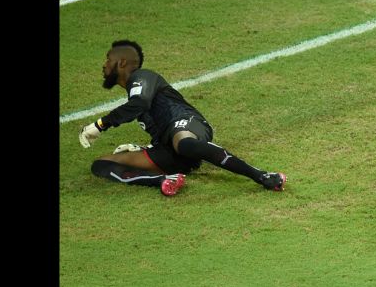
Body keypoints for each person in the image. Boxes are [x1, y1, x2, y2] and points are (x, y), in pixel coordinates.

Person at [78, 40, 286, 196]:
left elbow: (139, 104)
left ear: (122, 62)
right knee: (101, 164)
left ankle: (261, 175)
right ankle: (163, 181)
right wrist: (145, 150)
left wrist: (100, 125)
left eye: (108, 59)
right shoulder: (134, 94)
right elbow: (146, 115)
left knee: (184, 143)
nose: (104, 65)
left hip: (188, 124)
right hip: (169, 150)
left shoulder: (143, 77)